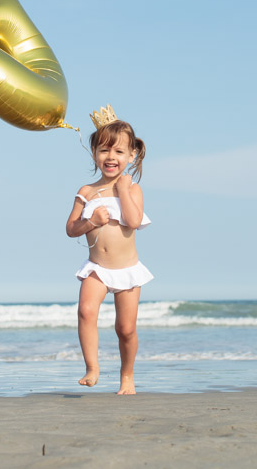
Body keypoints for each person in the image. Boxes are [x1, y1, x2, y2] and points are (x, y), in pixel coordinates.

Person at [65, 106, 153, 395]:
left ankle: (127, 375)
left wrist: (124, 190)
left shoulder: (133, 189)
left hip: (127, 270)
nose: (110, 157)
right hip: (98, 268)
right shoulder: (87, 191)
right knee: (85, 312)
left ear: (131, 156)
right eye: (104, 151)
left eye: (118, 152)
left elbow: (134, 220)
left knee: (125, 329)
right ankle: (92, 367)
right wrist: (91, 221)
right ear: (94, 154)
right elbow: (71, 229)